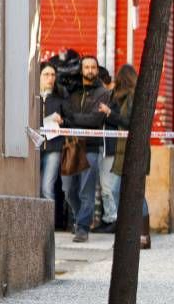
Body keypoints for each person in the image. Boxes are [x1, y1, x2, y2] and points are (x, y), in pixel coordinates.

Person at [98, 64, 152, 249]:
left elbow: (129, 121)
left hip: (133, 150)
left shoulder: (133, 96)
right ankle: (132, 234)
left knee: (132, 192)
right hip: (124, 150)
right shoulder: (120, 97)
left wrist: (110, 113)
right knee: (120, 191)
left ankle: (142, 235)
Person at [62, 55, 110, 243]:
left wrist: (72, 119)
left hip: (91, 146)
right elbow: (66, 112)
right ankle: (78, 219)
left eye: (93, 67)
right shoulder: (73, 91)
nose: (90, 70)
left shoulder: (103, 93)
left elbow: (95, 120)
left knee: (85, 190)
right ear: (81, 70)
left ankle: (82, 227)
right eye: (86, 67)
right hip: (71, 144)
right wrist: (72, 118)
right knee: (68, 189)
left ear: (97, 70)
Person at [38, 63, 68, 217]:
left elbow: (70, 120)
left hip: (53, 148)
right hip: (34, 148)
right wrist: (47, 118)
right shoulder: (32, 98)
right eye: (46, 75)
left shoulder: (59, 100)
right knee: (33, 188)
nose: (50, 78)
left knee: (47, 188)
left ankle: (49, 225)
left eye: (52, 75)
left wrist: (63, 121)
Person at [93, 65, 120, 234]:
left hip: (110, 147)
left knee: (108, 186)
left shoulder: (113, 99)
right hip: (103, 146)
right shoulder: (109, 97)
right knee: (104, 186)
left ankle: (112, 218)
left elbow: (117, 120)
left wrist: (108, 112)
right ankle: (107, 217)